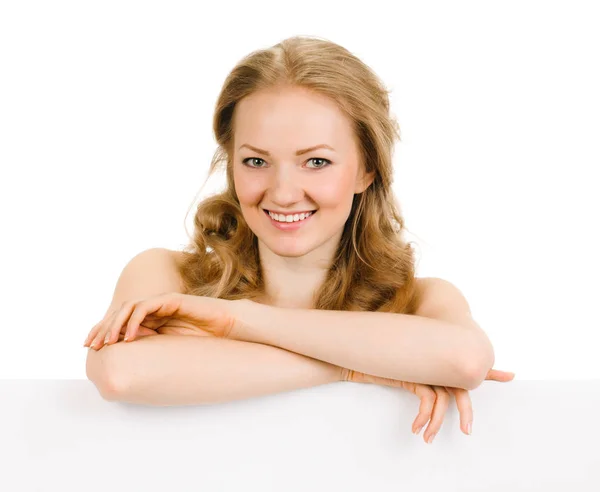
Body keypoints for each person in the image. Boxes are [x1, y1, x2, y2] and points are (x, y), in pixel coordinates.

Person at [85, 35, 514, 442]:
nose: (284, 193)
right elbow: (121, 373)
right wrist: (353, 368)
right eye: (256, 160)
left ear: (367, 169)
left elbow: (466, 361)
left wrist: (238, 321)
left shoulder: (422, 301)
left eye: (316, 161)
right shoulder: (165, 274)